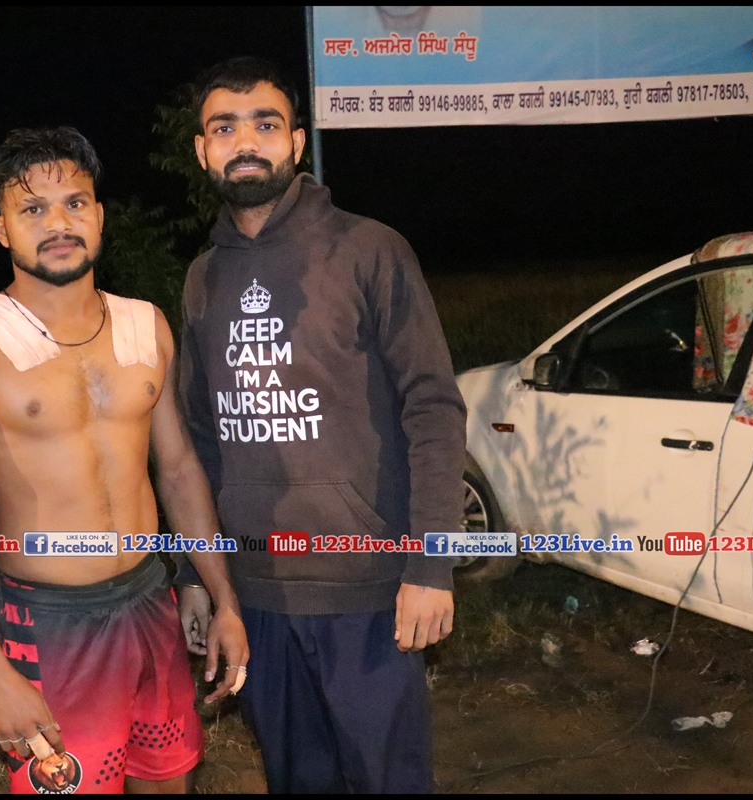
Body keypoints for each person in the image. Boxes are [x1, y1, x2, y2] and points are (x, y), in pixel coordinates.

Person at [0, 126, 248, 795]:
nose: (58, 223)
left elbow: (178, 470)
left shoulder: (145, 324)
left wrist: (223, 597)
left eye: (75, 203)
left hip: (150, 599)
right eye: (33, 209)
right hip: (50, 620)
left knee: (168, 782)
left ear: (99, 215)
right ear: (2, 229)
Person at [173, 57, 467, 793]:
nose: (246, 142)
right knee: (296, 780)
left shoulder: (369, 249)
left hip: (367, 589)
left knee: (386, 781)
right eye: (224, 128)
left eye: (266, 124)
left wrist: (431, 564)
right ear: (203, 151)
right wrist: (196, 576)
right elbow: (198, 440)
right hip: (256, 595)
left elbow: (433, 408)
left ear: (297, 142)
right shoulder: (203, 278)